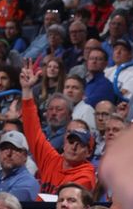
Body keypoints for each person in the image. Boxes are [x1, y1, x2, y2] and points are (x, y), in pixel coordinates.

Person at [19, 59, 96, 194]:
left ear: (88, 152)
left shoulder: (86, 175)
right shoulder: (52, 160)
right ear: (64, 144)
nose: (74, 146)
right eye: (71, 141)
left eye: (81, 144)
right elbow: (33, 131)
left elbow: (67, 200)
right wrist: (26, 91)